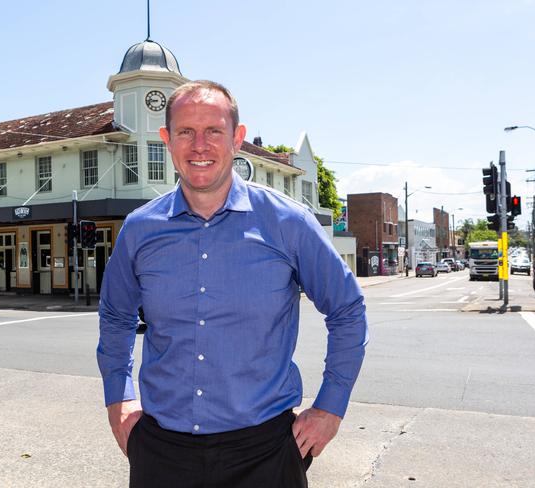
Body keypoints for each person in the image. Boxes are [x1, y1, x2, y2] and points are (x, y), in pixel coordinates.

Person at [97, 80, 368, 488]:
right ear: (167, 141)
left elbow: (347, 310)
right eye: (186, 131)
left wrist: (331, 407)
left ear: (237, 138)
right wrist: (119, 398)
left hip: (265, 454)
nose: (199, 145)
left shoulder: (288, 223)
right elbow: (115, 317)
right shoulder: (139, 230)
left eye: (214, 131)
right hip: (162, 453)